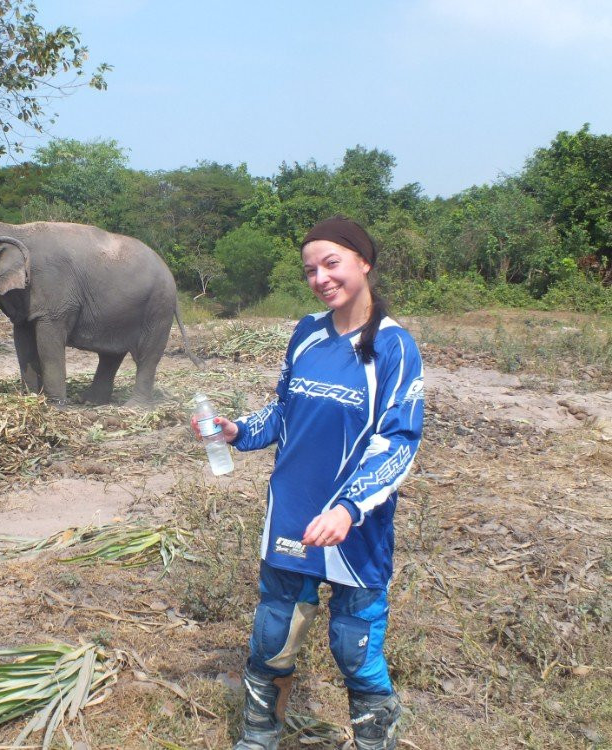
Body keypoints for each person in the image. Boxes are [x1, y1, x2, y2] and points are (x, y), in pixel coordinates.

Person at [193, 216, 424, 750]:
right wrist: (236, 430)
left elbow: (399, 442)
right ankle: (258, 736)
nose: (321, 278)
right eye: (311, 269)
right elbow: (283, 412)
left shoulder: (393, 347)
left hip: (354, 526)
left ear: (363, 263)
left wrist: (348, 508)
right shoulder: (306, 333)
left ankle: (374, 741)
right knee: (275, 634)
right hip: (293, 513)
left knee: (354, 645)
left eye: (332, 263)